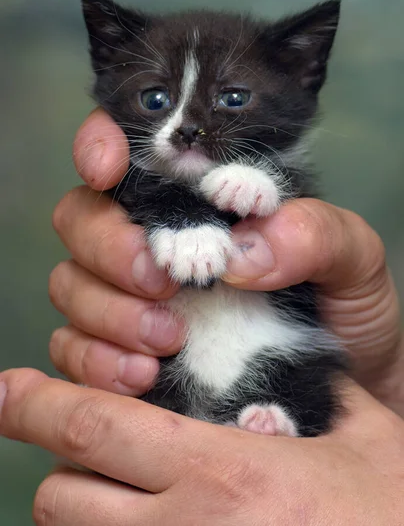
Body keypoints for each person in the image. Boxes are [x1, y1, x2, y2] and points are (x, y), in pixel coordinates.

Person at [1, 108, 404, 524]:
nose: (190, 125)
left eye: (231, 98)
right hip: (179, 391)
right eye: (157, 99)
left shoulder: (263, 184)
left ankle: (276, 419)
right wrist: (387, 382)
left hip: (275, 385)